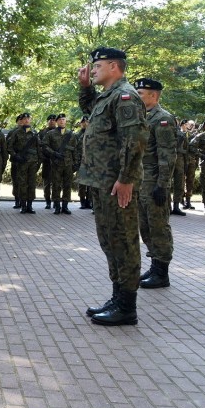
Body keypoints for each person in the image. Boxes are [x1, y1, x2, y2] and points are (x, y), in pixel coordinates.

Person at [77, 47, 147, 326]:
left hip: (118, 183)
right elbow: (92, 112)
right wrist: (84, 88)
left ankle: (127, 307)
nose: (92, 70)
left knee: (124, 241)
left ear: (114, 66)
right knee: (109, 241)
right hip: (103, 182)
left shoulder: (126, 96)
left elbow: (135, 140)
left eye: (97, 66)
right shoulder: (108, 97)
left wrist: (127, 178)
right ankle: (118, 296)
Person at [133, 78, 176, 289]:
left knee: (158, 226)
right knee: (145, 226)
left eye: (140, 92)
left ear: (154, 95)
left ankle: (162, 272)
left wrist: (163, 185)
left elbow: (167, 155)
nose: (136, 95)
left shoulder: (163, 119)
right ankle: (154, 264)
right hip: (140, 181)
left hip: (154, 181)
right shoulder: (141, 117)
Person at [42, 113, 78, 214]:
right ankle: (57, 206)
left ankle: (65, 206)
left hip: (68, 164)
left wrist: (76, 163)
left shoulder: (71, 134)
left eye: (64, 119)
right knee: (56, 185)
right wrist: (54, 153)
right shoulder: (50, 134)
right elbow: (44, 146)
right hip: (56, 164)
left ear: (66, 121)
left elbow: (75, 150)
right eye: (60, 120)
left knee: (67, 185)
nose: (62, 121)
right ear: (57, 122)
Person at [7, 112, 40, 214]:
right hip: (22, 162)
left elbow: (39, 147)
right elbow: (9, 147)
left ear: (31, 120)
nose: (26, 120)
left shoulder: (34, 133)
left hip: (32, 163)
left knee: (31, 183)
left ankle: (30, 205)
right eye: (24, 119)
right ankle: (23, 205)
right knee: (22, 183)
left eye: (28, 118)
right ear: (21, 120)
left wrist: (39, 160)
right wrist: (16, 156)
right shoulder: (16, 133)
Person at [38, 114, 57, 209]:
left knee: (57, 182)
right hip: (46, 161)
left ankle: (55, 200)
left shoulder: (60, 132)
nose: (52, 121)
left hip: (57, 162)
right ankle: (48, 201)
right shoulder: (42, 133)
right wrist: (42, 157)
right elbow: (39, 147)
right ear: (47, 121)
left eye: (54, 120)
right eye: (50, 120)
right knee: (47, 182)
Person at [170, 118, 188, 216]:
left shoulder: (182, 135)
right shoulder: (166, 134)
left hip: (179, 162)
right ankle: (167, 206)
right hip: (168, 161)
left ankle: (176, 206)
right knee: (167, 184)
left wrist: (186, 164)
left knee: (179, 184)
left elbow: (186, 150)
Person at [74, 116, 92, 209]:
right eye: (83, 122)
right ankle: (82, 201)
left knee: (90, 184)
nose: (85, 123)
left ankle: (89, 201)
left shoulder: (93, 134)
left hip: (91, 163)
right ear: (80, 123)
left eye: (86, 121)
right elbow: (75, 150)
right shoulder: (77, 136)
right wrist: (76, 163)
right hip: (81, 162)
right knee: (81, 184)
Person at [182, 120, 198, 209]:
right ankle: (181, 200)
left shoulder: (195, 136)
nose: (192, 126)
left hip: (191, 161)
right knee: (181, 181)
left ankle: (188, 201)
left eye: (193, 125)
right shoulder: (182, 134)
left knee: (190, 181)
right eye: (190, 125)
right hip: (182, 160)